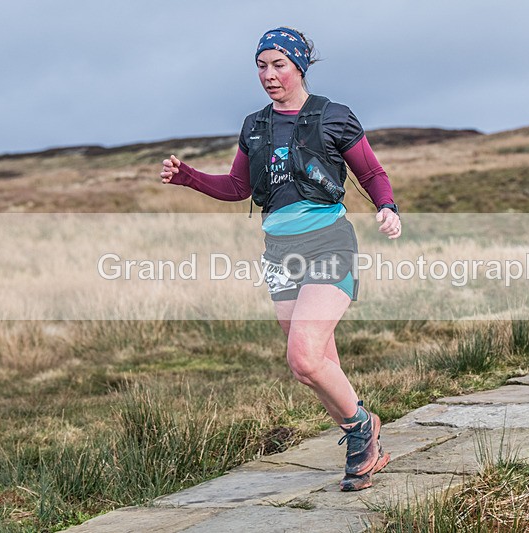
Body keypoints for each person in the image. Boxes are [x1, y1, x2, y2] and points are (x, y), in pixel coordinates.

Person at [160, 26, 401, 491]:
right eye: (261, 66)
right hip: (279, 252)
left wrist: (386, 207)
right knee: (309, 365)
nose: (268, 75)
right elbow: (238, 188)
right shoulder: (254, 125)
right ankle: (361, 433)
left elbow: (370, 170)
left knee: (305, 356)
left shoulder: (334, 116)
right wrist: (187, 177)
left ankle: (361, 431)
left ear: (298, 67)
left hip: (329, 242)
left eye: (278, 65)